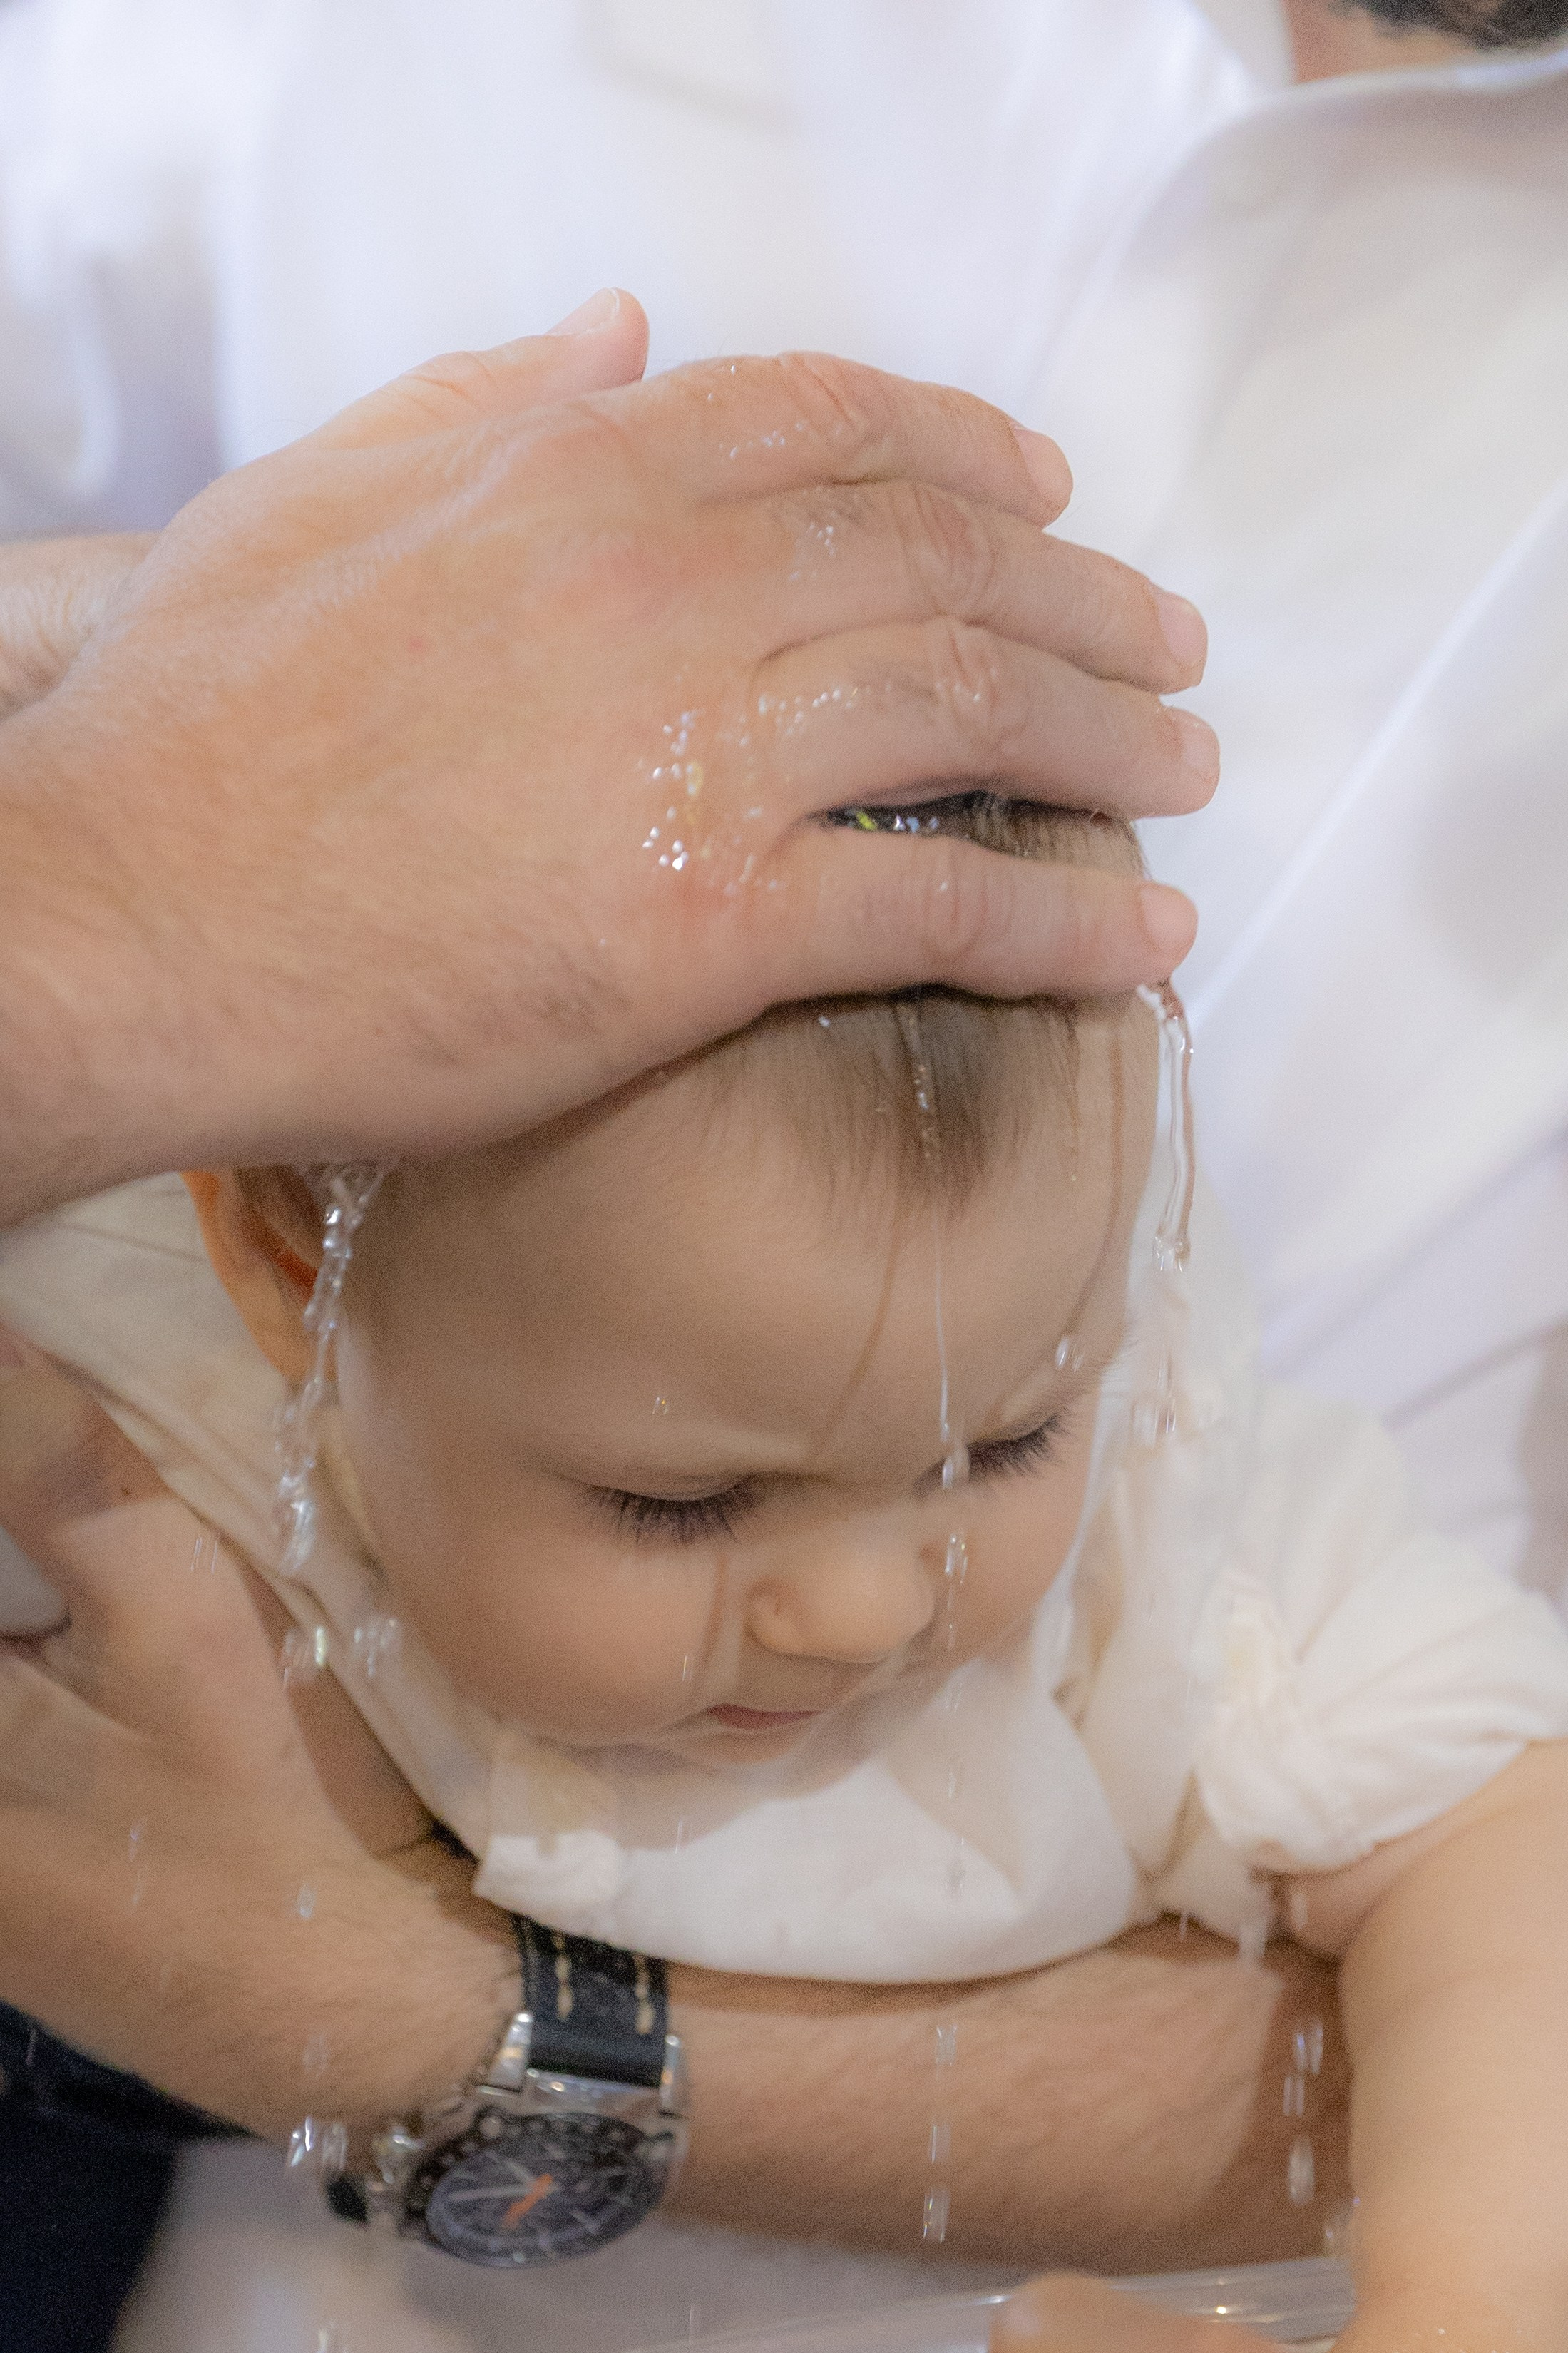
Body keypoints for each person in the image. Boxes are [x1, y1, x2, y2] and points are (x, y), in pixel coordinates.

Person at [8, 792, 1568, 2353]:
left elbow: (1502, 1835)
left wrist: (1461, 2311)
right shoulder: (140, 1421)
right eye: (685, 1503)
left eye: (998, 1448)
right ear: (294, 1268)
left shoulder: (1163, 1493)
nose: (869, 1614)